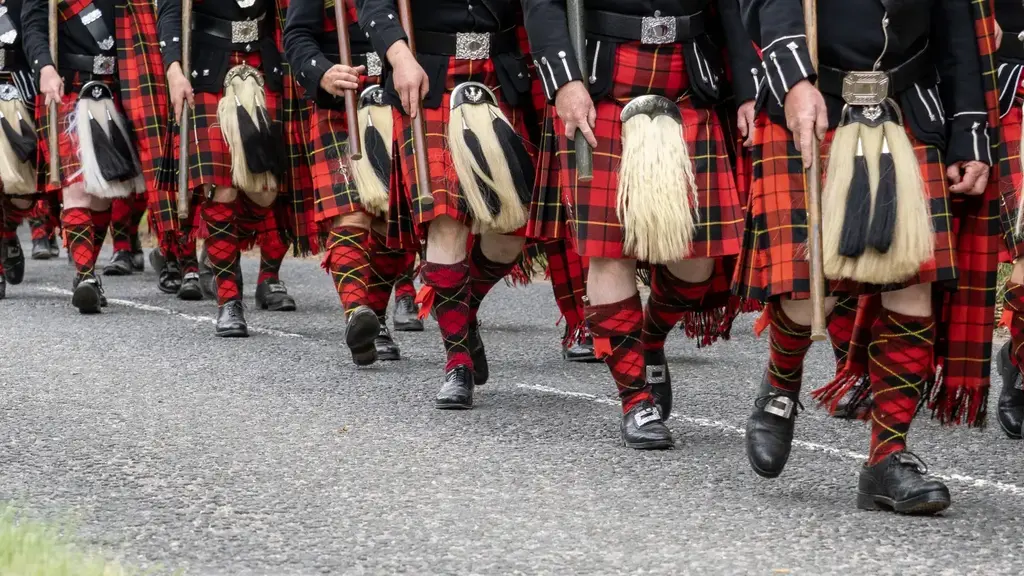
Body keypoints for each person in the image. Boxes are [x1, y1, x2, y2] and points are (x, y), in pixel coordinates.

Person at [736, 0, 996, 514]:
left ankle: (887, 457)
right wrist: (792, 78)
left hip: (906, 105)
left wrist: (969, 126)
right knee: (812, 287)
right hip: (816, 98)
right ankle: (782, 380)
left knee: (911, 277)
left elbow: (954, 20)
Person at [522, 0, 759, 448]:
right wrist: (564, 82)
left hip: (689, 82)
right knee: (611, 255)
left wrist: (747, 87)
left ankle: (648, 336)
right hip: (601, 88)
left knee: (697, 263)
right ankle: (636, 401)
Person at [357, 0, 543, 408]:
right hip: (429, 78)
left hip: (501, 75)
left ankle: (462, 307)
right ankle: (457, 363)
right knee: (447, 221)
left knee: (510, 233)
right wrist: (398, 54)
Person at [284, 0, 411, 364]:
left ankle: (375, 315)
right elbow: (297, 36)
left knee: (392, 220)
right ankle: (357, 312)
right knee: (351, 215)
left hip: (396, 92)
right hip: (340, 101)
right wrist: (322, 72)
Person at [157, 0, 294, 336]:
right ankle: (229, 300)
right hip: (208, 70)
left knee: (265, 191)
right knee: (221, 188)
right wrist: (174, 70)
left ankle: (220, 247)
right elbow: (171, 11)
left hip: (264, 65)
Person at [25, 0, 167, 313]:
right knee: (76, 186)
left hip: (120, 88)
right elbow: (33, 25)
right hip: (68, 87)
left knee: (104, 193)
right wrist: (45, 67)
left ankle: (86, 267)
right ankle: (86, 274)